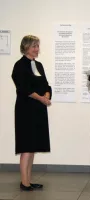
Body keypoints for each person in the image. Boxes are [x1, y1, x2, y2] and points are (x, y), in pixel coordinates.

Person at [11, 35, 52, 191]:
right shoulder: (19, 66)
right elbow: (23, 89)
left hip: (38, 109)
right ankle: (24, 182)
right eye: (34, 46)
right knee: (26, 146)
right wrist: (41, 98)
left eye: (37, 46)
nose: (36, 49)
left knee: (32, 146)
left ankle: (28, 180)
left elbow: (46, 85)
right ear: (26, 47)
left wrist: (46, 96)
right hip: (26, 109)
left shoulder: (38, 65)